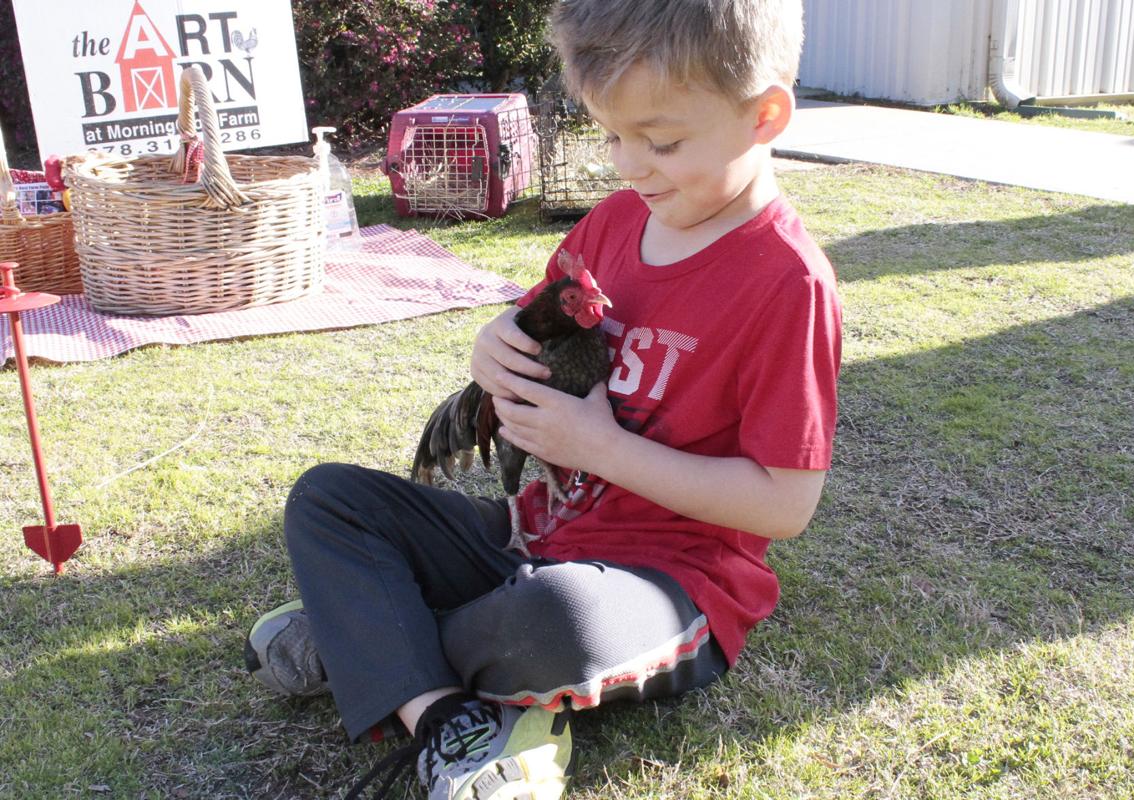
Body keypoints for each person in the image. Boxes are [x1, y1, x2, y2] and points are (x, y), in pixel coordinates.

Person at [244, 1, 841, 797]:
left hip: (670, 580)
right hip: (534, 534)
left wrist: (603, 449)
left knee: (553, 621)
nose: (630, 164)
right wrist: (491, 345)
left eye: (661, 141)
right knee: (331, 499)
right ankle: (440, 710)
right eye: (612, 135)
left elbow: (783, 506)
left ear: (764, 115)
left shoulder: (786, 283)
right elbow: (539, 326)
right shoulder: (617, 220)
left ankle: (373, 643)